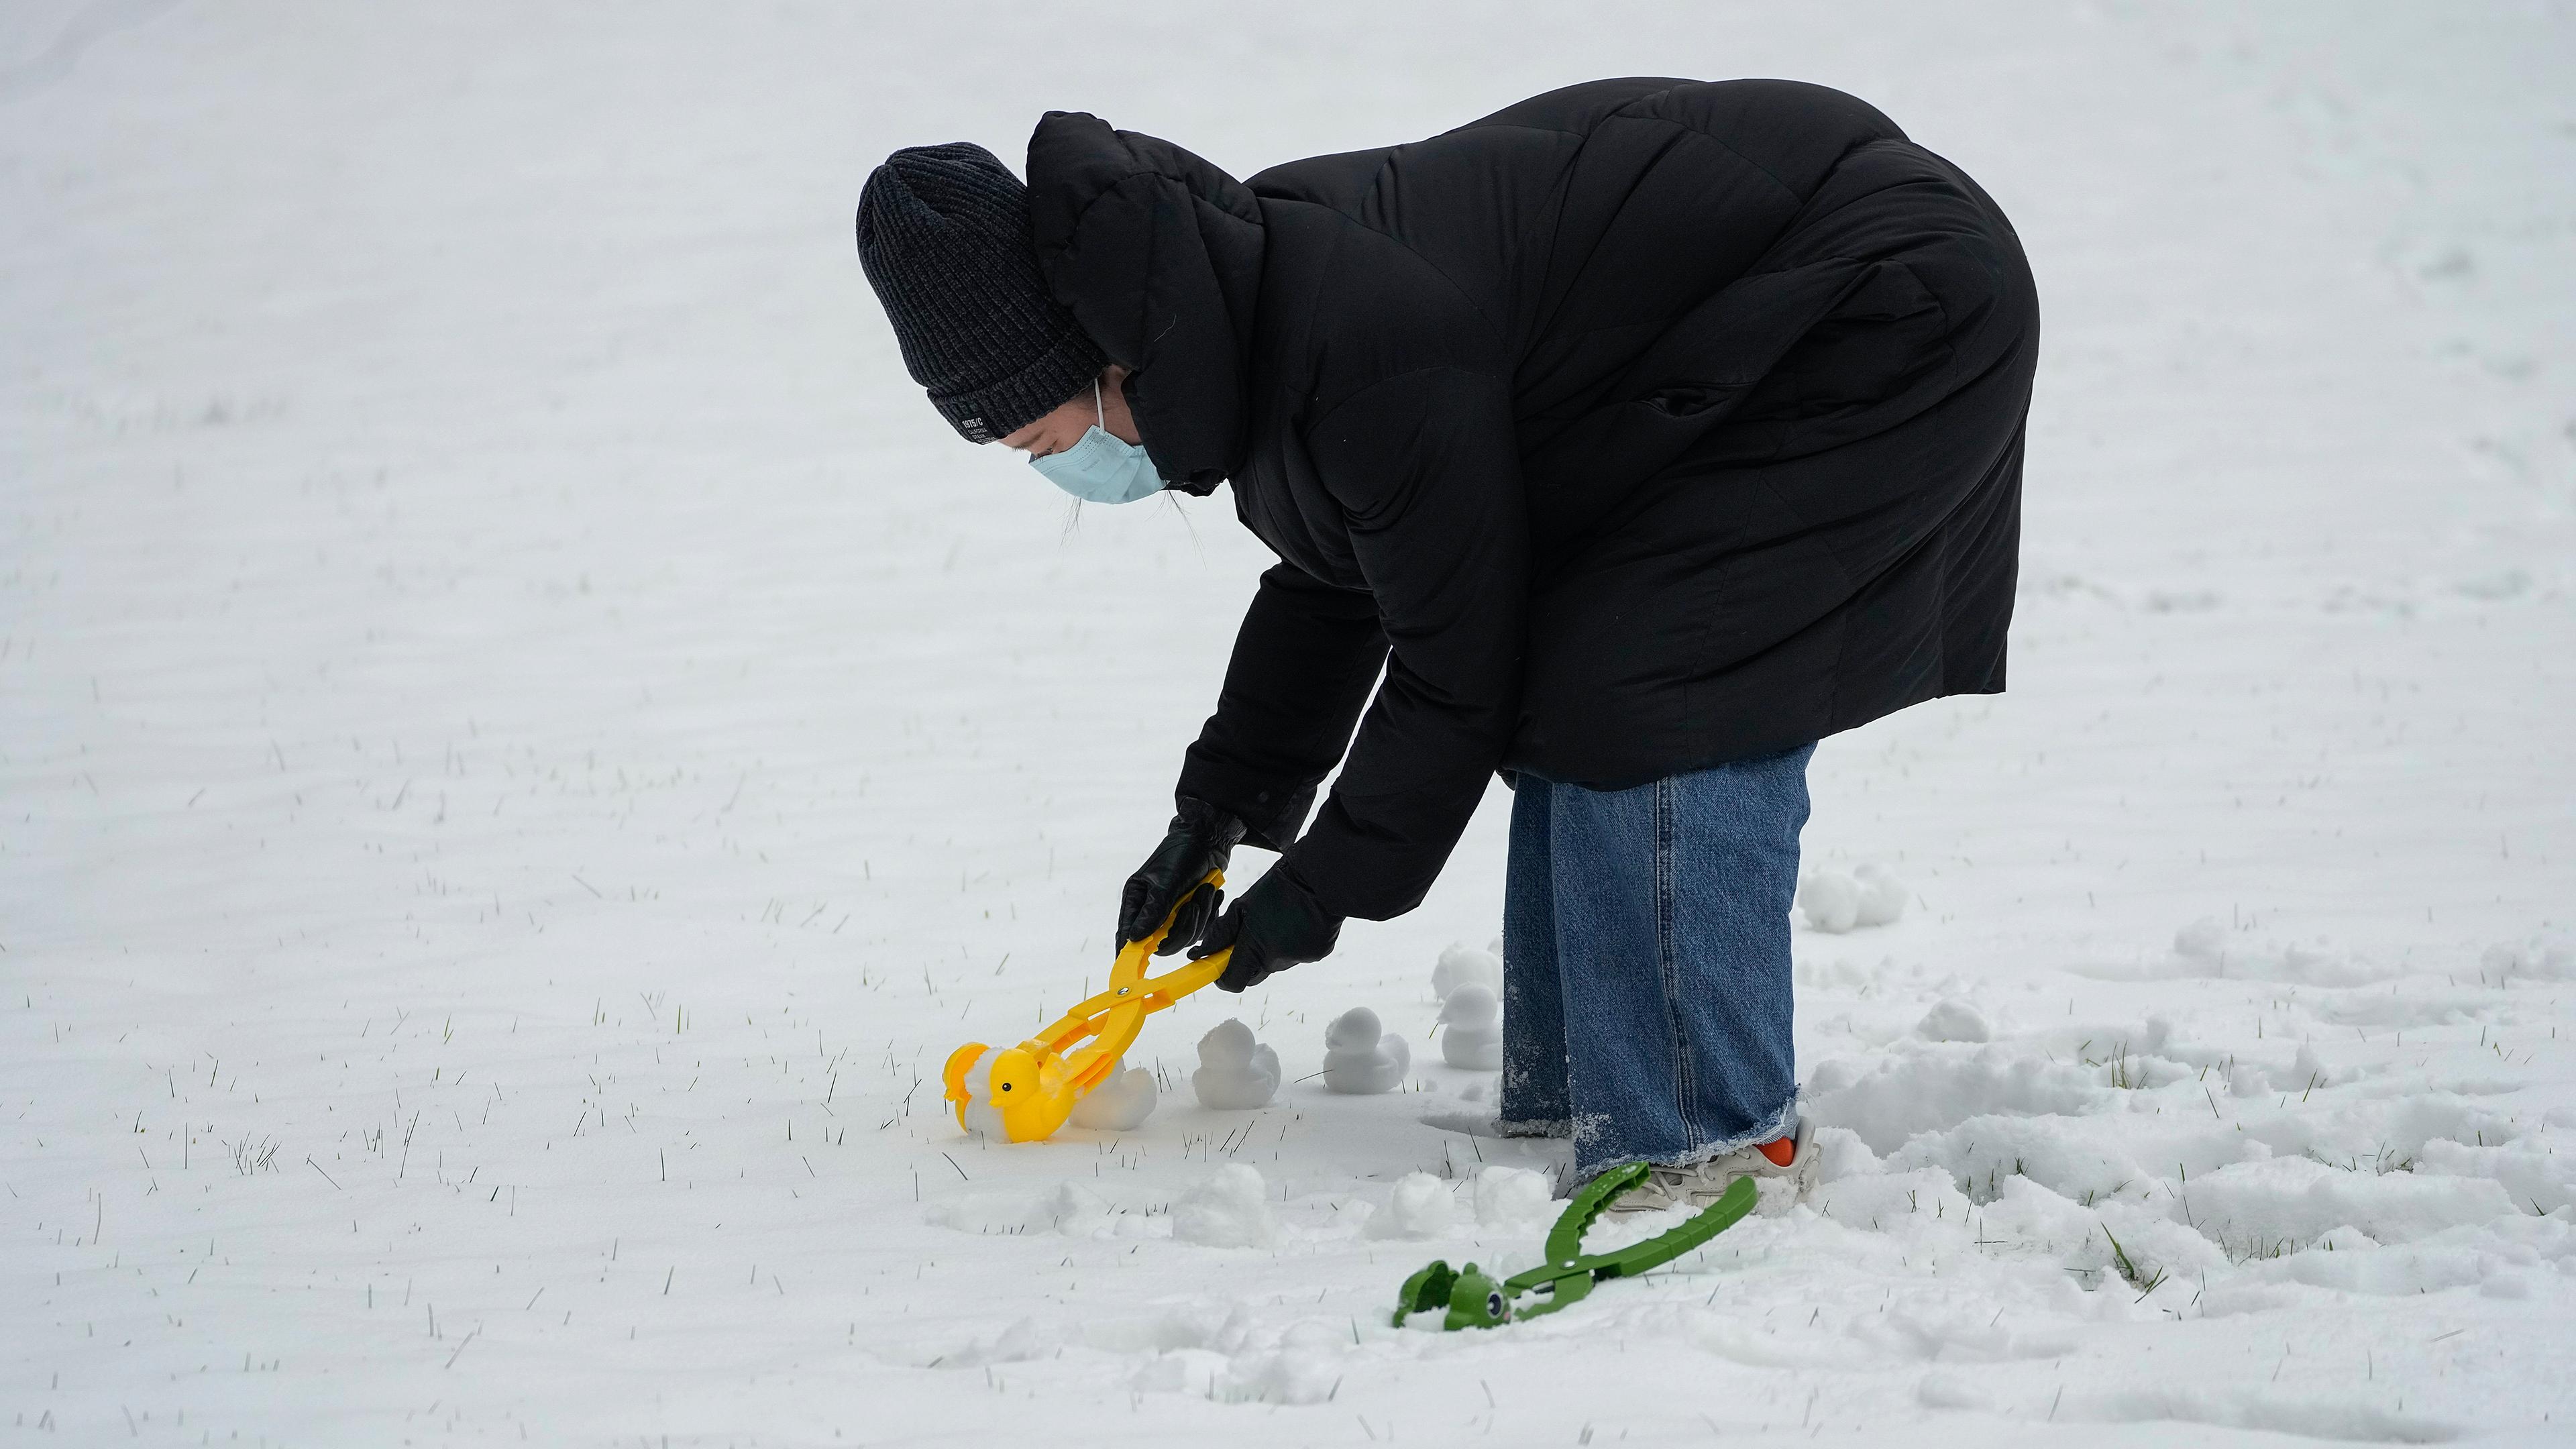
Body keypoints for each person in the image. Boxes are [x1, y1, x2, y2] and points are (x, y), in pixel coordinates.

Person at [855, 77, 2038, 1207]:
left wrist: (1311, 899)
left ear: (1097, 362)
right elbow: (1343, 572)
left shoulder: (1348, 333)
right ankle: (1584, 1091)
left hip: (1884, 301)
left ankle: (1712, 1133)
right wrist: (1216, 819)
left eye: (1034, 438)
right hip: (1756, 309)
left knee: (1651, 673)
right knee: (1583, 661)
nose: (1055, 469)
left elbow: (1451, 668)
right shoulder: (1235, 302)